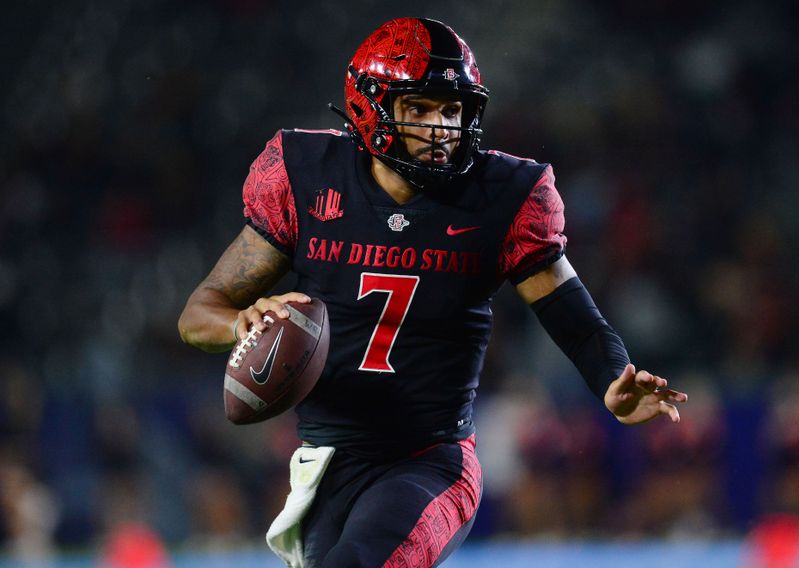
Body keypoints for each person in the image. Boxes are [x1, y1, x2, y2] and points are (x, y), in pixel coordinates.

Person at [178, 17, 688, 568]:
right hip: (327, 464)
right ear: (370, 109)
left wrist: (613, 377)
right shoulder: (307, 177)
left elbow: (573, 317)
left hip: (431, 463)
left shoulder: (502, 195)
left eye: (451, 110)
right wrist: (244, 322)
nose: (440, 127)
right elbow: (197, 314)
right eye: (418, 108)